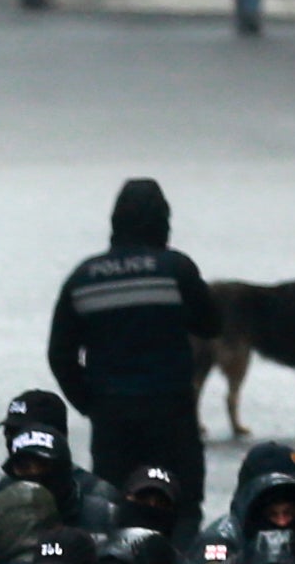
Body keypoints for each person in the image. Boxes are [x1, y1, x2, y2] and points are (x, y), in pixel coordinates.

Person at [44, 179, 217, 491]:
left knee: (115, 501)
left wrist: (90, 402)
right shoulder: (176, 269)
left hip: (113, 414)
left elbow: (60, 354)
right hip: (171, 409)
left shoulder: (84, 278)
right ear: (164, 221)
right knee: (182, 501)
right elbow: (211, 324)